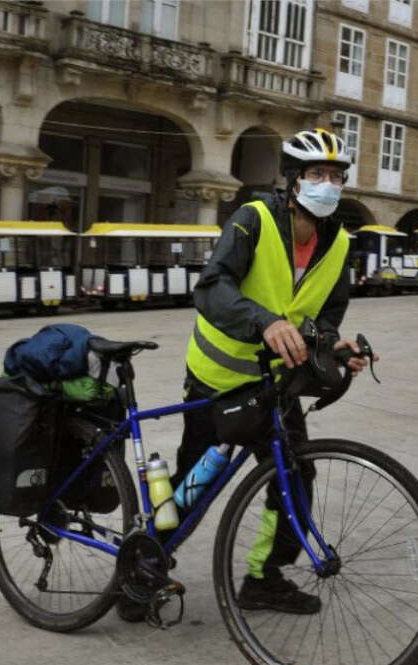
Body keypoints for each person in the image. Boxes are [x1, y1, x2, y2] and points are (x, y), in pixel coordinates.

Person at [118, 129, 373, 622]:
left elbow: (325, 315)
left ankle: (264, 578)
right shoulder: (253, 220)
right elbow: (212, 289)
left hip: (277, 384)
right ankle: (143, 569)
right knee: (196, 483)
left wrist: (333, 346)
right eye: (317, 174)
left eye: (337, 176)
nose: (328, 184)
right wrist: (265, 322)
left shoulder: (339, 243)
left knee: (295, 475)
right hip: (216, 379)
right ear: (295, 181)